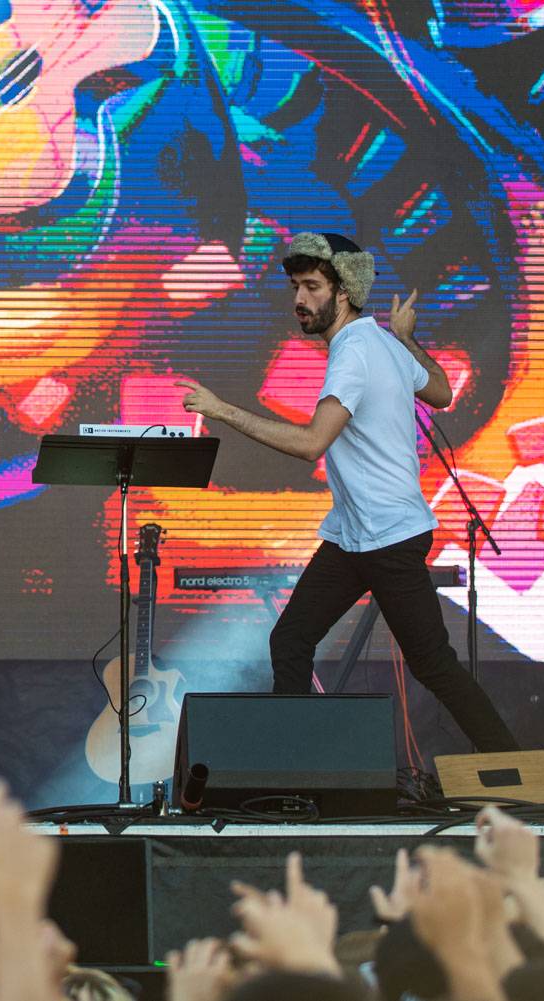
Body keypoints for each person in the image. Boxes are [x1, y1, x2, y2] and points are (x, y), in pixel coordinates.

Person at [177, 231, 517, 751]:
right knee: (290, 638)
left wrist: (220, 410)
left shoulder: (354, 353)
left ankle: (519, 770)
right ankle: (292, 768)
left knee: (432, 664)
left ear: (345, 291)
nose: (298, 300)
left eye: (312, 287)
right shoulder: (379, 341)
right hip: (354, 537)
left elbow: (313, 442)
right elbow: (442, 391)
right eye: (296, 287)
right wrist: (406, 337)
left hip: (388, 537)